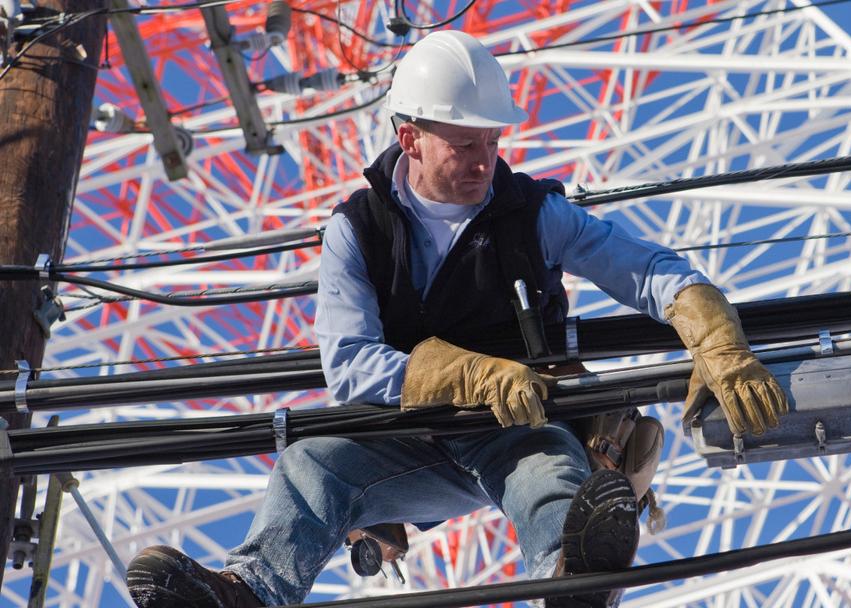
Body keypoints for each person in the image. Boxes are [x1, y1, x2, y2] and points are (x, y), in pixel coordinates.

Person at [124, 30, 787, 608]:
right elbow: (349, 366)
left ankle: (573, 581)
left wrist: (712, 330)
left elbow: (641, 267)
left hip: (516, 430)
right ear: (408, 137)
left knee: (549, 470)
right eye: (464, 144)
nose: (482, 162)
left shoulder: (532, 215)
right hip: (407, 438)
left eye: (492, 142)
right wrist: (466, 374)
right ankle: (248, 592)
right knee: (312, 465)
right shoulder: (358, 231)